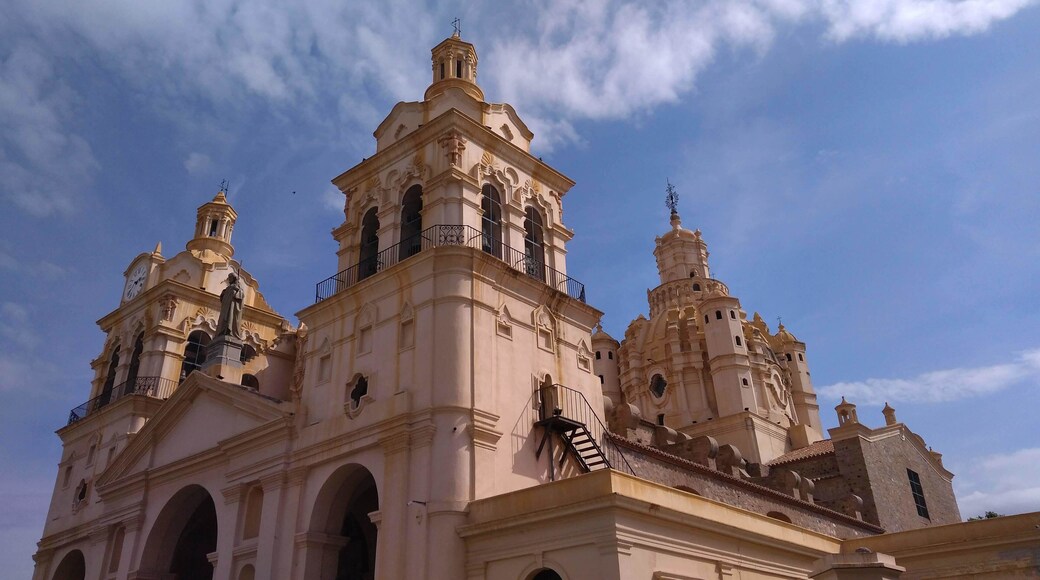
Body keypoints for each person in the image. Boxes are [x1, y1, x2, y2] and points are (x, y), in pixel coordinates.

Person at [215, 271, 245, 339]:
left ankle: (229, 330)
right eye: (228, 277)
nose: (229, 279)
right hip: (225, 309)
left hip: (231, 308)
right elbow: (222, 298)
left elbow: (240, 296)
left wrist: (237, 289)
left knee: (230, 319)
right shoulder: (228, 288)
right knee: (223, 321)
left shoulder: (237, 288)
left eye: (230, 277)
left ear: (234, 278)